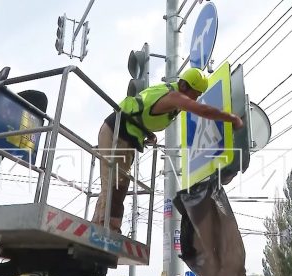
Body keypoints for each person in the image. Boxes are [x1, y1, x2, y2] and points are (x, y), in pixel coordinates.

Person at [92, 68, 244, 233]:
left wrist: (148, 133)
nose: (197, 98)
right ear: (185, 86)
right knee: (116, 183)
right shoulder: (174, 96)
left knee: (116, 181)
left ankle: (98, 226)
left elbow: (143, 113)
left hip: (125, 135)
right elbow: (203, 110)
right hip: (116, 132)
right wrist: (231, 118)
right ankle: (106, 229)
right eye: (196, 93)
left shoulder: (168, 94)